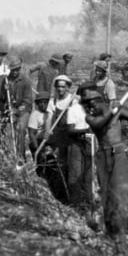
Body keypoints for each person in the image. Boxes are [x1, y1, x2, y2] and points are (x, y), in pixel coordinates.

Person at [81, 89, 128, 241]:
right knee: (106, 194)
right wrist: (114, 111)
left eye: (92, 104)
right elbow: (100, 124)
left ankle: (121, 232)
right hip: (102, 155)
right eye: (87, 105)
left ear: (101, 101)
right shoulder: (90, 117)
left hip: (118, 153)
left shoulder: (117, 111)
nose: (90, 108)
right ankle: (111, 231)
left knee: (119, 192)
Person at [43, 74, 75, 203]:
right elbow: (49, 118)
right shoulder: (53, 101)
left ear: (68, 88)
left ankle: (74, 191)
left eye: (63, 87)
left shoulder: (73, 100)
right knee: (61, 162)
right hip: (59, 136)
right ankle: (61, 189)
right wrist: (47, 131)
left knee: (72, 163)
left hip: (72, 135)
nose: (60, 89)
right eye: (58, 87)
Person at [66, 80, 97, 207]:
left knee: (90, 174)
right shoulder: (74, 109)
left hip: (92, 142)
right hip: (77, 143)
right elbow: (70, 130)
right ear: (82, 95)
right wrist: (85, 131)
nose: (89, 97)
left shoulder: (96, 108)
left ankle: (91, 202)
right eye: (86, 94)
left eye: (91, 93)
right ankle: (75, 203)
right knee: (75, 174)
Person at [0, 56, 33, 160]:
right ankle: (3, 154)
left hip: (23, 110)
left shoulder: (26, 81)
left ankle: (20, 157)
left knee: (20, 128)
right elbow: (2, 98)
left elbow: (28, 101)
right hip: (9, 109)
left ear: (20, 68)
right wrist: (4, 90)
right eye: (13, 70)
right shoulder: (6, 80)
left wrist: (16, 111)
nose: (15, 72)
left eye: (17, 69)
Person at [27, 91, 51, 171]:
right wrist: (38, 149)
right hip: (38, 142)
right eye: (40, 102)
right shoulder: (35, 114)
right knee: (41, 164)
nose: (42, 104)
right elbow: (31, 134)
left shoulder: (51, 113)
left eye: (45, 102)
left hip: (50, 141)